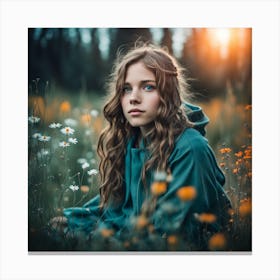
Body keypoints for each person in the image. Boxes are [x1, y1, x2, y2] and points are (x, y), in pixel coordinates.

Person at [51, 43, 231, 250]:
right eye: (127, 89)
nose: (134, 98)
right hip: (138, 234)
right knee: (60, 227)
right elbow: (118, 207)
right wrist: (75, 221)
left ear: (168, 93)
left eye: (148, 87)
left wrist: (94, 239)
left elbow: (177, 234)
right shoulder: (132, 140)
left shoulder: (191, 149)